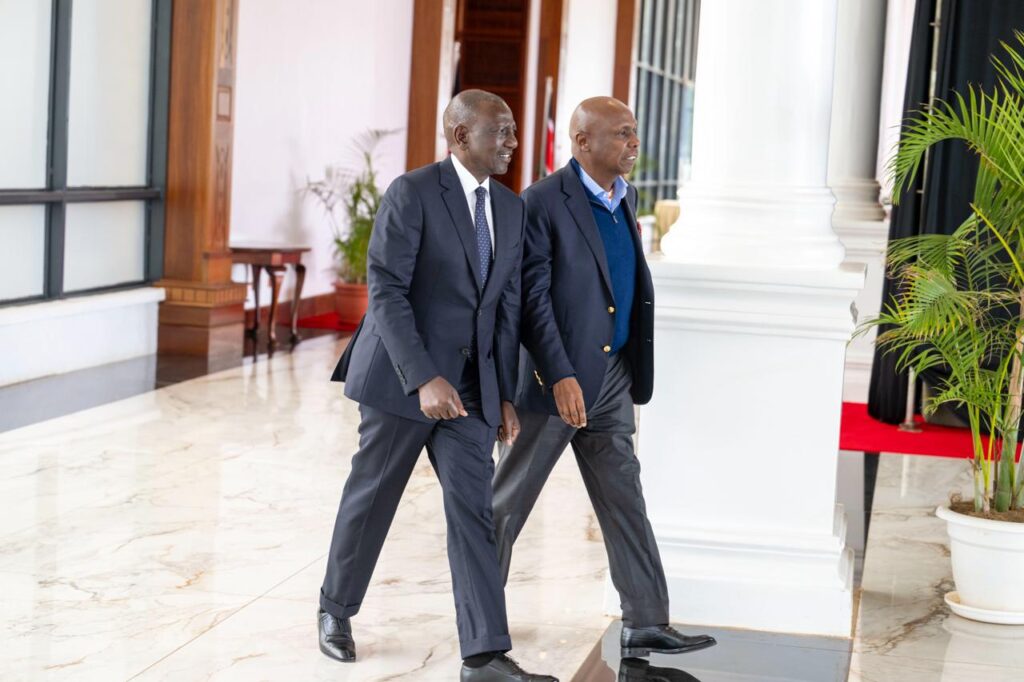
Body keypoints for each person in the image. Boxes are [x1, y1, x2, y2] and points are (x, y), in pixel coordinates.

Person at [319, 89, 557, 682]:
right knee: (373, 498)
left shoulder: (510, 207)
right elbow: (387, 291)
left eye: (512, 131)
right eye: (499, 132)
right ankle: (335, 611)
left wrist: (502, 392)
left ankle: (483, 655)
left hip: (473, 389)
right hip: (403, 379)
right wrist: (423, 377)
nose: (511, 142)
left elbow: (504, 305)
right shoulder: (414, 193)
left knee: (475, 510)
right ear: (458, 137)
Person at [492, 96, 716, 659]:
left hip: (613, 375)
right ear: (582, 141)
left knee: (624, 495)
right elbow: (532, 301)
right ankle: (480, 621)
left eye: (634, 132)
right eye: (622, 134)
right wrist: (559, 374)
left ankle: (645, 619)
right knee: (507, 500)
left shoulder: (625, 197)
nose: (633, 143)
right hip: (555, 381)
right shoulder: (541, 202)